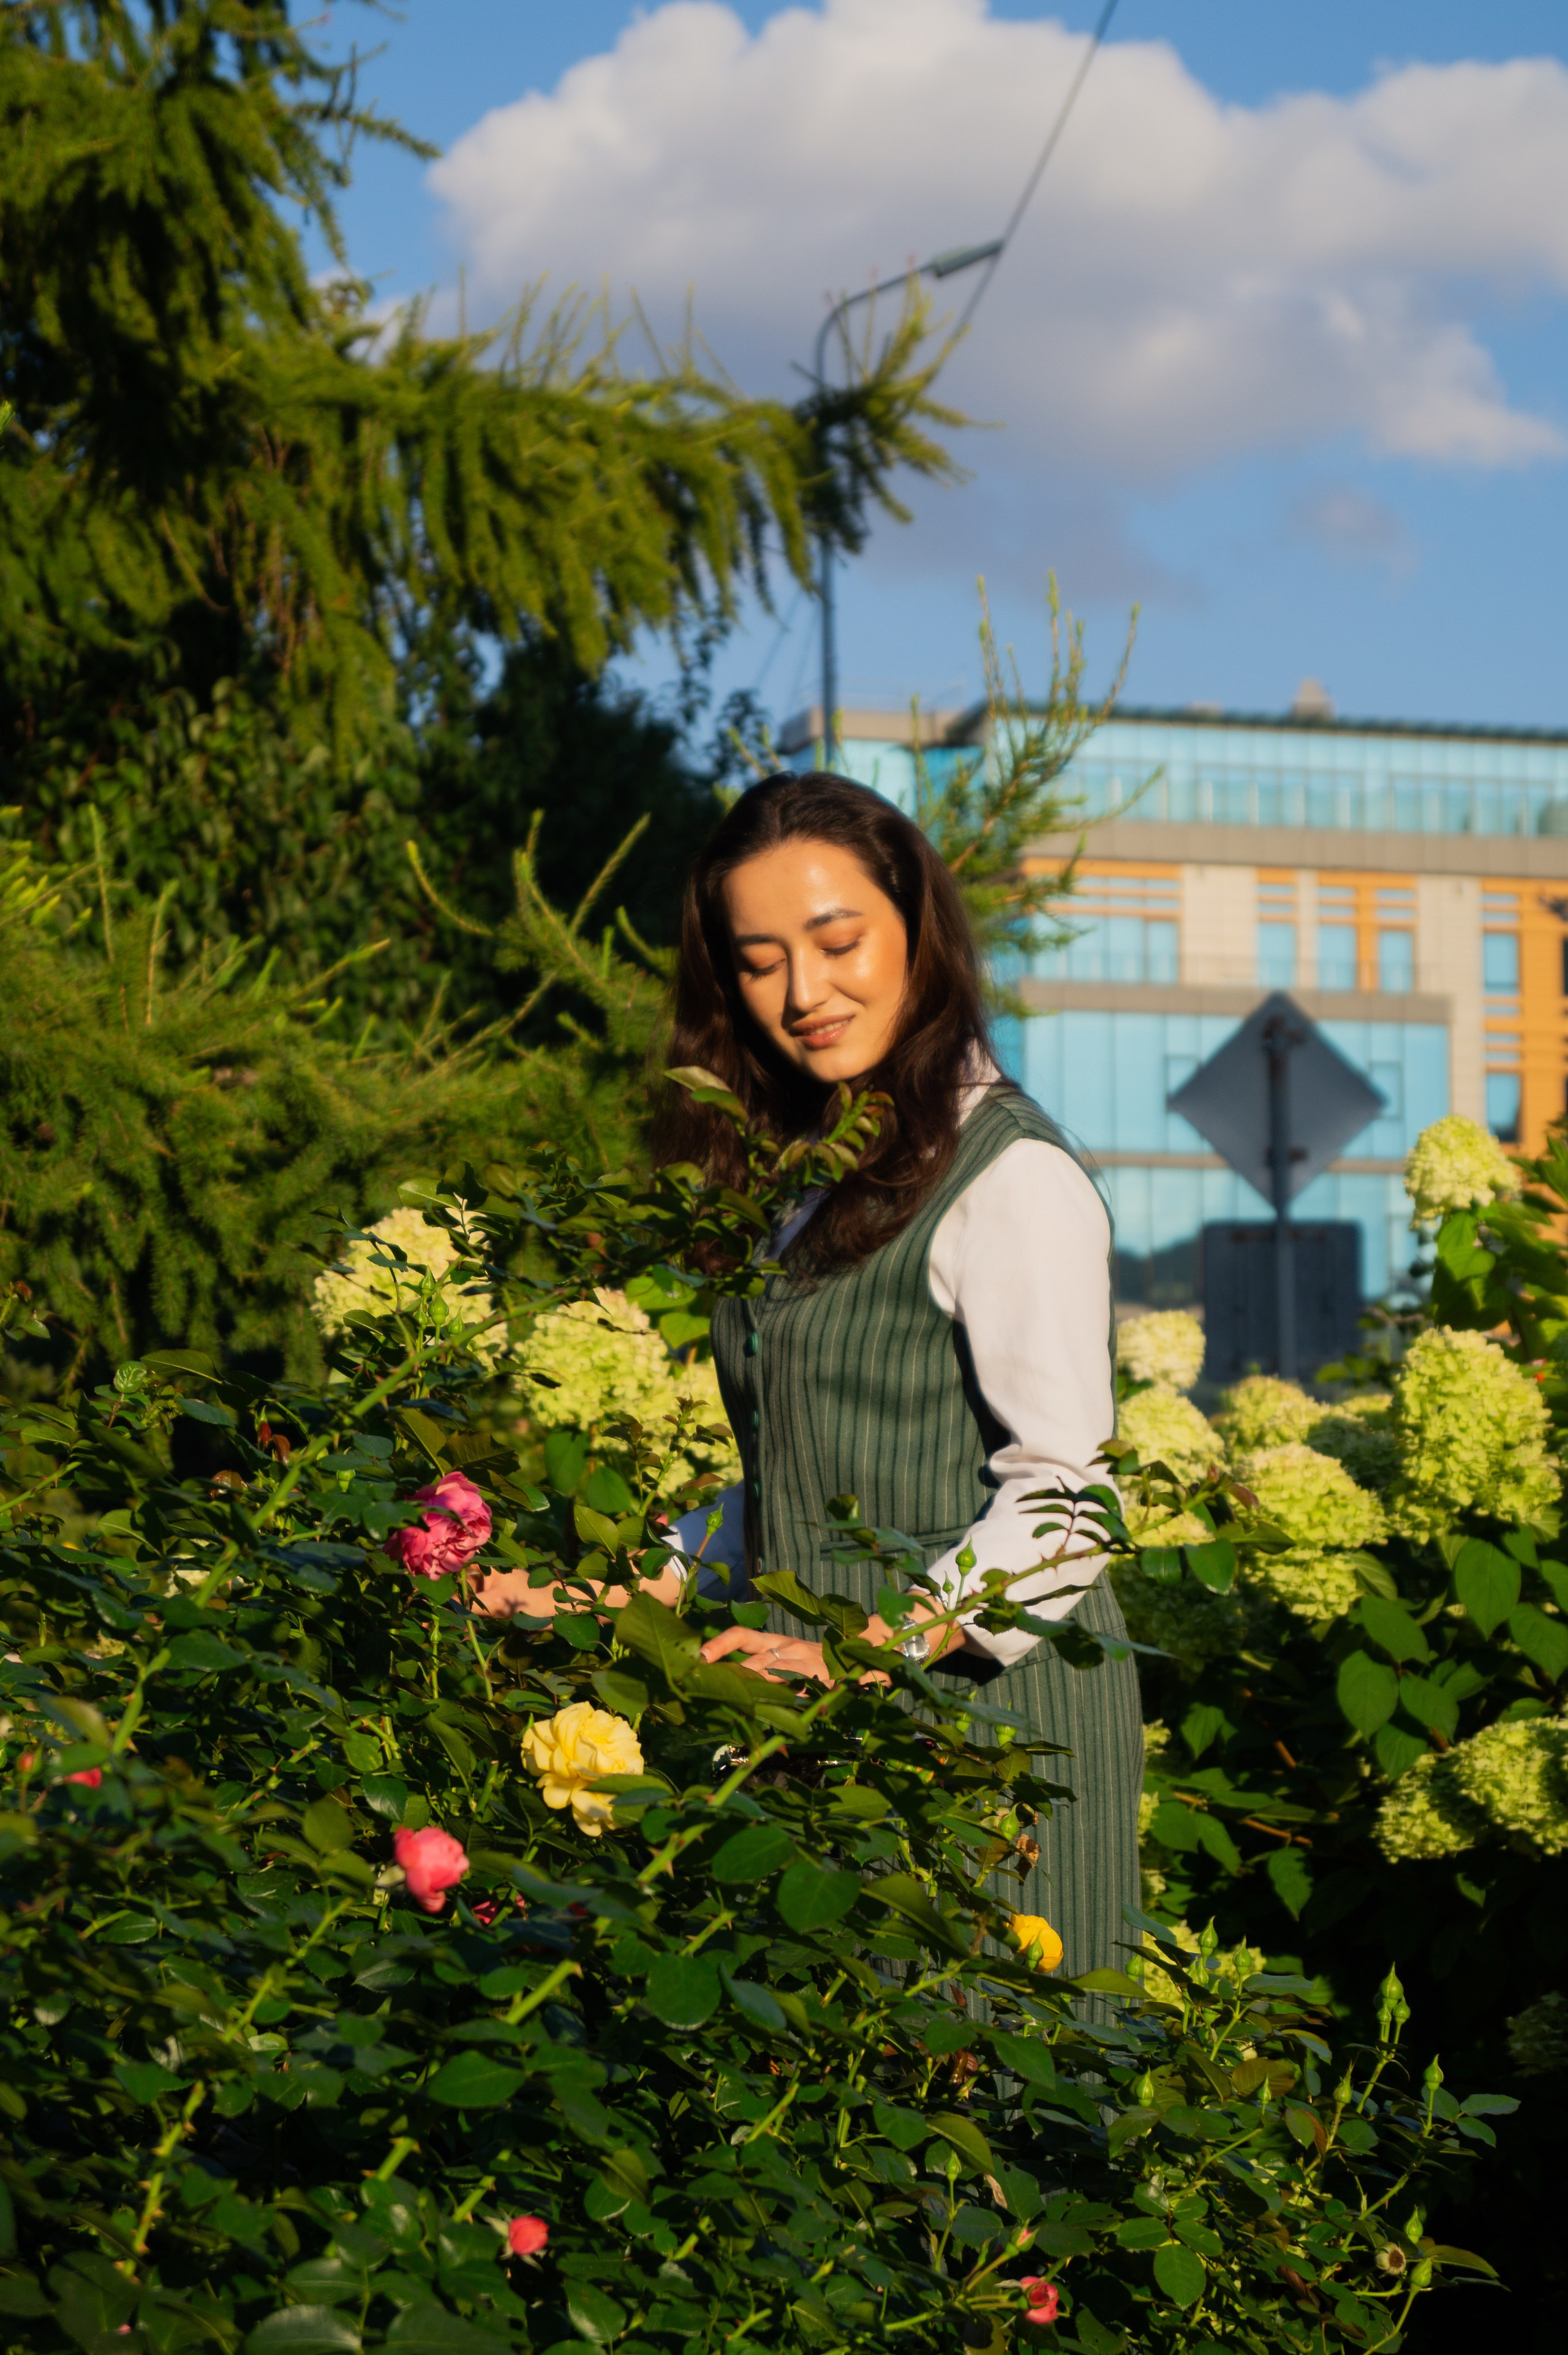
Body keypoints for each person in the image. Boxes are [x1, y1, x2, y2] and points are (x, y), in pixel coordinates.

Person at [647, 770, 1142, 1984]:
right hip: (817, 1718)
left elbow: (1066, 1502)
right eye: (758, 961)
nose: (803, 993)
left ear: (915, 927)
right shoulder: (810, 1176)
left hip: (981, 1737)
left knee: (980, 2120)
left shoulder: (1008, 1176)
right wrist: (641, 1585)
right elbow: (802, 1462)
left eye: (835, 939)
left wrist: (858, 1656)